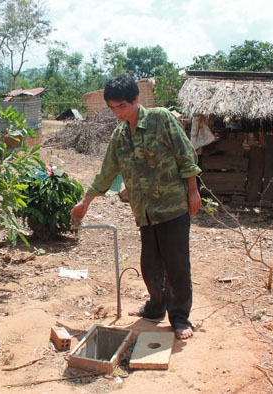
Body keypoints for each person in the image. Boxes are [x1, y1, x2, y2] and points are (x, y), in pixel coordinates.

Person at [70, 74, 202, 340]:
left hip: (172, 206)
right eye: (112, 108)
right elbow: (106, 172)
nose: (118, 113)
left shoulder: (161, 119)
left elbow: (185, 155)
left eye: (122, 106)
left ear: (136, 100)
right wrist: (85, 201)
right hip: (144, 211)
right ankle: (155, 308)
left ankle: (179, 318)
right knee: (150, 265)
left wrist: (193, 191)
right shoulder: (120, 136)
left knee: (176, 266)